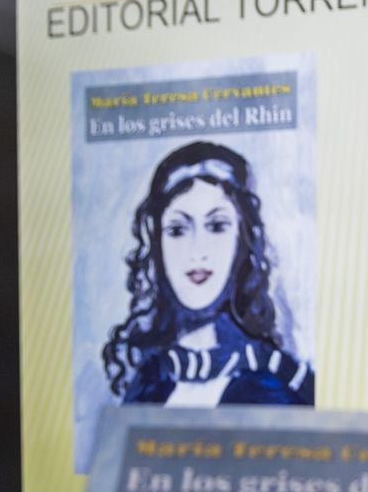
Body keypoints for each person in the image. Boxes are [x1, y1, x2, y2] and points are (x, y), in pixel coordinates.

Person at [102, 140, 315, 408]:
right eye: (178, 230)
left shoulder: (278, 382)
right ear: (157, 243)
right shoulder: (149, 381)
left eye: (216, 226)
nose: (197, 251)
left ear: (243, 239)